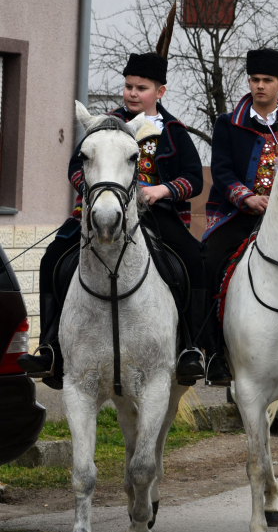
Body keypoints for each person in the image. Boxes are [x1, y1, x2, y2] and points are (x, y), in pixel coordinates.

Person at [19, 44, 206, 386]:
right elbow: (76, 165)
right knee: (52, 260)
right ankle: (49, 348)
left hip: (154, 216)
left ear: (159, 91)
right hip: (98, 212)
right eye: (129, 86)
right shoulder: (105, 124)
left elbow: (193, 178)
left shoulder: (174, 130)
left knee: (194, 259)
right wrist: (91, 193)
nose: (133, 93)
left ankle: (190, 349)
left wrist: (161, 190)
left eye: (141, 87)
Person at [200, 49, 278, 385]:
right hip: (236, 217)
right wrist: (246, 197)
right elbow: (222, 171)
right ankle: (213, 351)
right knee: (210, 263)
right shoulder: (227, 123)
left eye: (267, 80)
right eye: (255, 80)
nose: (260, 86)